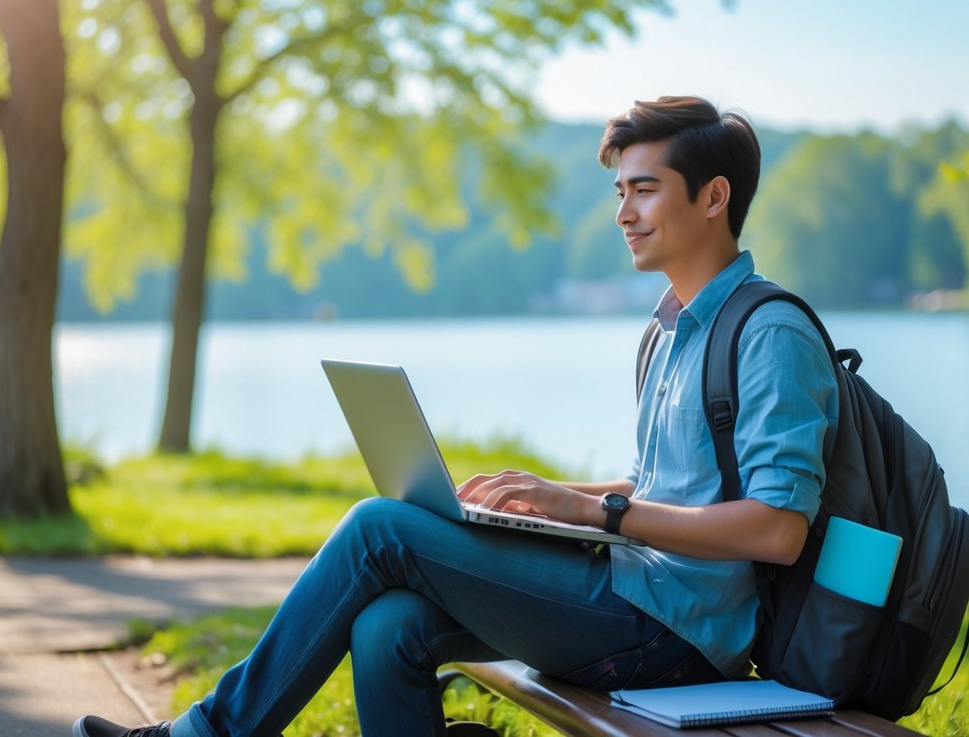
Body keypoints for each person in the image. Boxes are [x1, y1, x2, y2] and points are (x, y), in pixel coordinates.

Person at [72, 95, 838, 737]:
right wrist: (546, 498)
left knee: (379, 527)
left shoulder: (767, 332)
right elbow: (661, 485)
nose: (623, 214)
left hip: (679, 637)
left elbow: (777, 529)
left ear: (712, 197)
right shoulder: (670, 329)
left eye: (644, 190)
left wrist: (595, 512)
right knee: (388, 625)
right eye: (618, 193)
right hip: (631, 594)